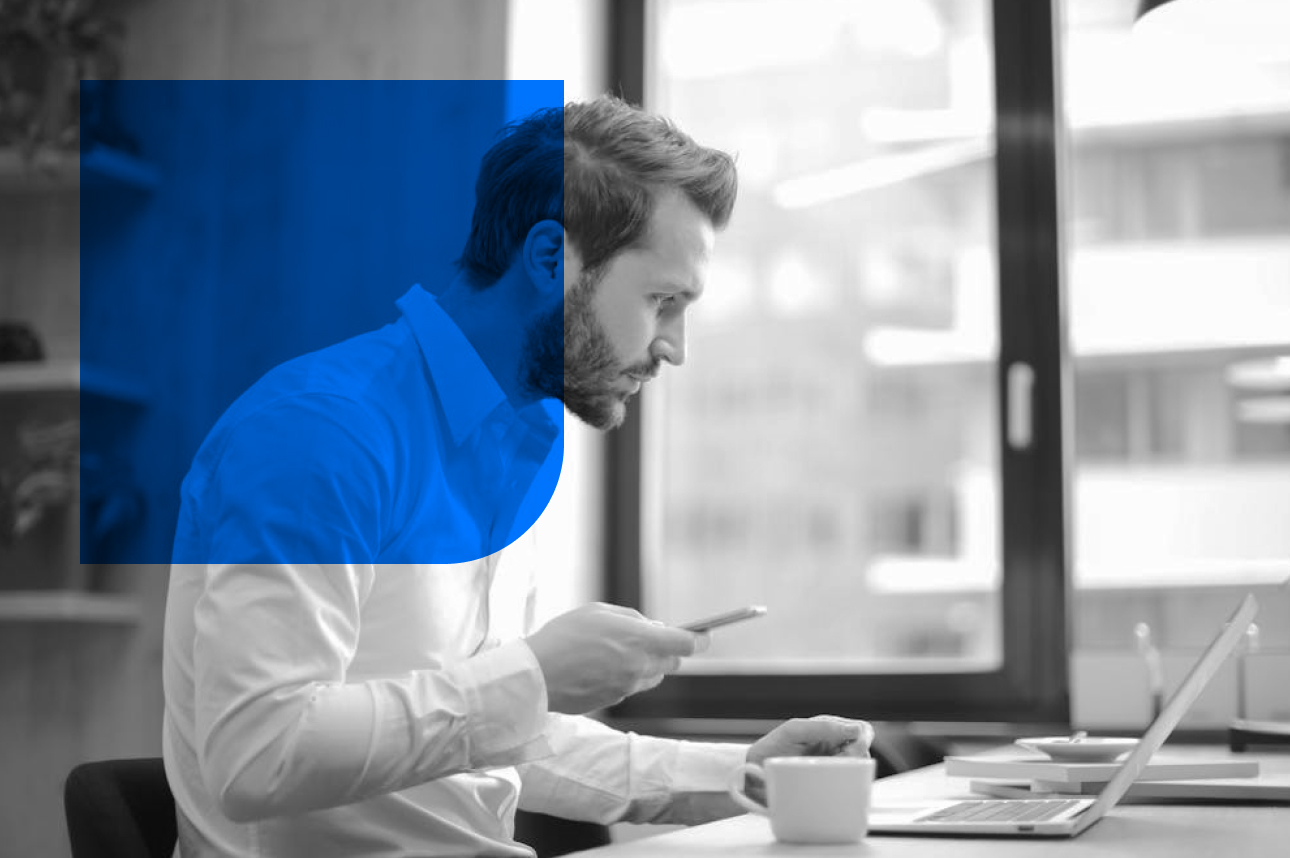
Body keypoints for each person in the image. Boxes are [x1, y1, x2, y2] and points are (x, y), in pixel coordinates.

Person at [162, 95, 872, 858]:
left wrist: (742, 772)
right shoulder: (319, 433)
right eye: (662, 301)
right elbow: (259, 756)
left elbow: (481, 737)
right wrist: (531, 677)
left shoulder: (512, 435)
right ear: (547, 260)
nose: (675, 348)